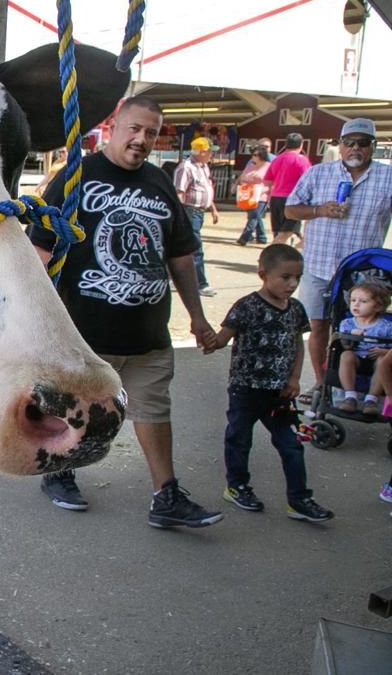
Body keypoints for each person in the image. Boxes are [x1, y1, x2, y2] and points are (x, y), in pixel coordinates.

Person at [28, 95, 223, 529]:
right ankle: (60, 472)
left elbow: (181, 256)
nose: (142, 139)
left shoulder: (159, 182)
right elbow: (40, 246)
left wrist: (197, 316)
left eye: (151, 133)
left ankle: (166, 494)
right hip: (86, 331)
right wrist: (36, 316)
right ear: (115, 126)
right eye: (134, 129)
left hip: (147, 333)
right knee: (75, 408)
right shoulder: (77, 177)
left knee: (154, 409)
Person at [205, 243, 334, 523]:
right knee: (239, 440)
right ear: (263, 274)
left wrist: (295, 377)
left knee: (291, 445)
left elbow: (298, 344)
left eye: (297, 278)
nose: (292, 284)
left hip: (280, 394)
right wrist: (207, 338)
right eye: (285, 277)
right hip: (246, 391)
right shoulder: (247, 306)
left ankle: (299, 499)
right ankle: (237, 486)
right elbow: (222, 338)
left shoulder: (296, 310)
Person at [284, 118, 392, 400]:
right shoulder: (318, 174)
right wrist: (319, 210)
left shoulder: (387, 177)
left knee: (362, 329)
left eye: (363, 143)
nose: (355, 148)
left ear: (373, 147)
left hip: (361, 275)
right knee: (318, 326)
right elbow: (291, 210)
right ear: (340, 145)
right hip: (318, 267)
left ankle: (362, 389)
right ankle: (323, 384)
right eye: (349, 142)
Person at [334, 279, 392, 415]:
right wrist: (351, 338)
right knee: (346, 356)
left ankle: (371, 399)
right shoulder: (347, 324)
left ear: (378, 306)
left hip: (377, 359)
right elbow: (345, 346)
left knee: (383, 360)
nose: (356, 304)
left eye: (363, 302)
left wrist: (384, 351)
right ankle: (350, 397)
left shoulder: (387, 326)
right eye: (353, 300)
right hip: (356, 358)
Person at [174, 137, 220, 296]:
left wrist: (213, 208)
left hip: (199, 212)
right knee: (196, 249)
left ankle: (173, 276)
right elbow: (179, 193)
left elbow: (206, 188)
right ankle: (201, 283)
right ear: (201, 152)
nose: (211, 155)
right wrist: (179, 216)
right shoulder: (186, 168)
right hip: (189, 211)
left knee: (186, 247)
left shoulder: (204, 166)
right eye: (209, 152)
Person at [263, 133, 311, 246]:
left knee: (280, 232)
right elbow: (309, 180)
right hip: (293, 200)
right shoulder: (301, 160)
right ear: (301, 144)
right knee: (285, 234)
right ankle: (269, 257)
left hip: (275, 198)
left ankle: (281, 258)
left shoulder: (276, 159)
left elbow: (267, 181)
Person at [235, 138, 273, 246]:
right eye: (253, 155)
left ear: (262, 156)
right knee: (255, 217)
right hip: (249, 195)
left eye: (256, 155)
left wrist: (270, 197)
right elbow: (243, 177)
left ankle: (244, 237)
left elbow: (272, 182)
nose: (253, 157)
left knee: (254, 217)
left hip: (262, 196)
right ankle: (262, 237)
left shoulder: (269, 167)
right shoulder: (250, 166)